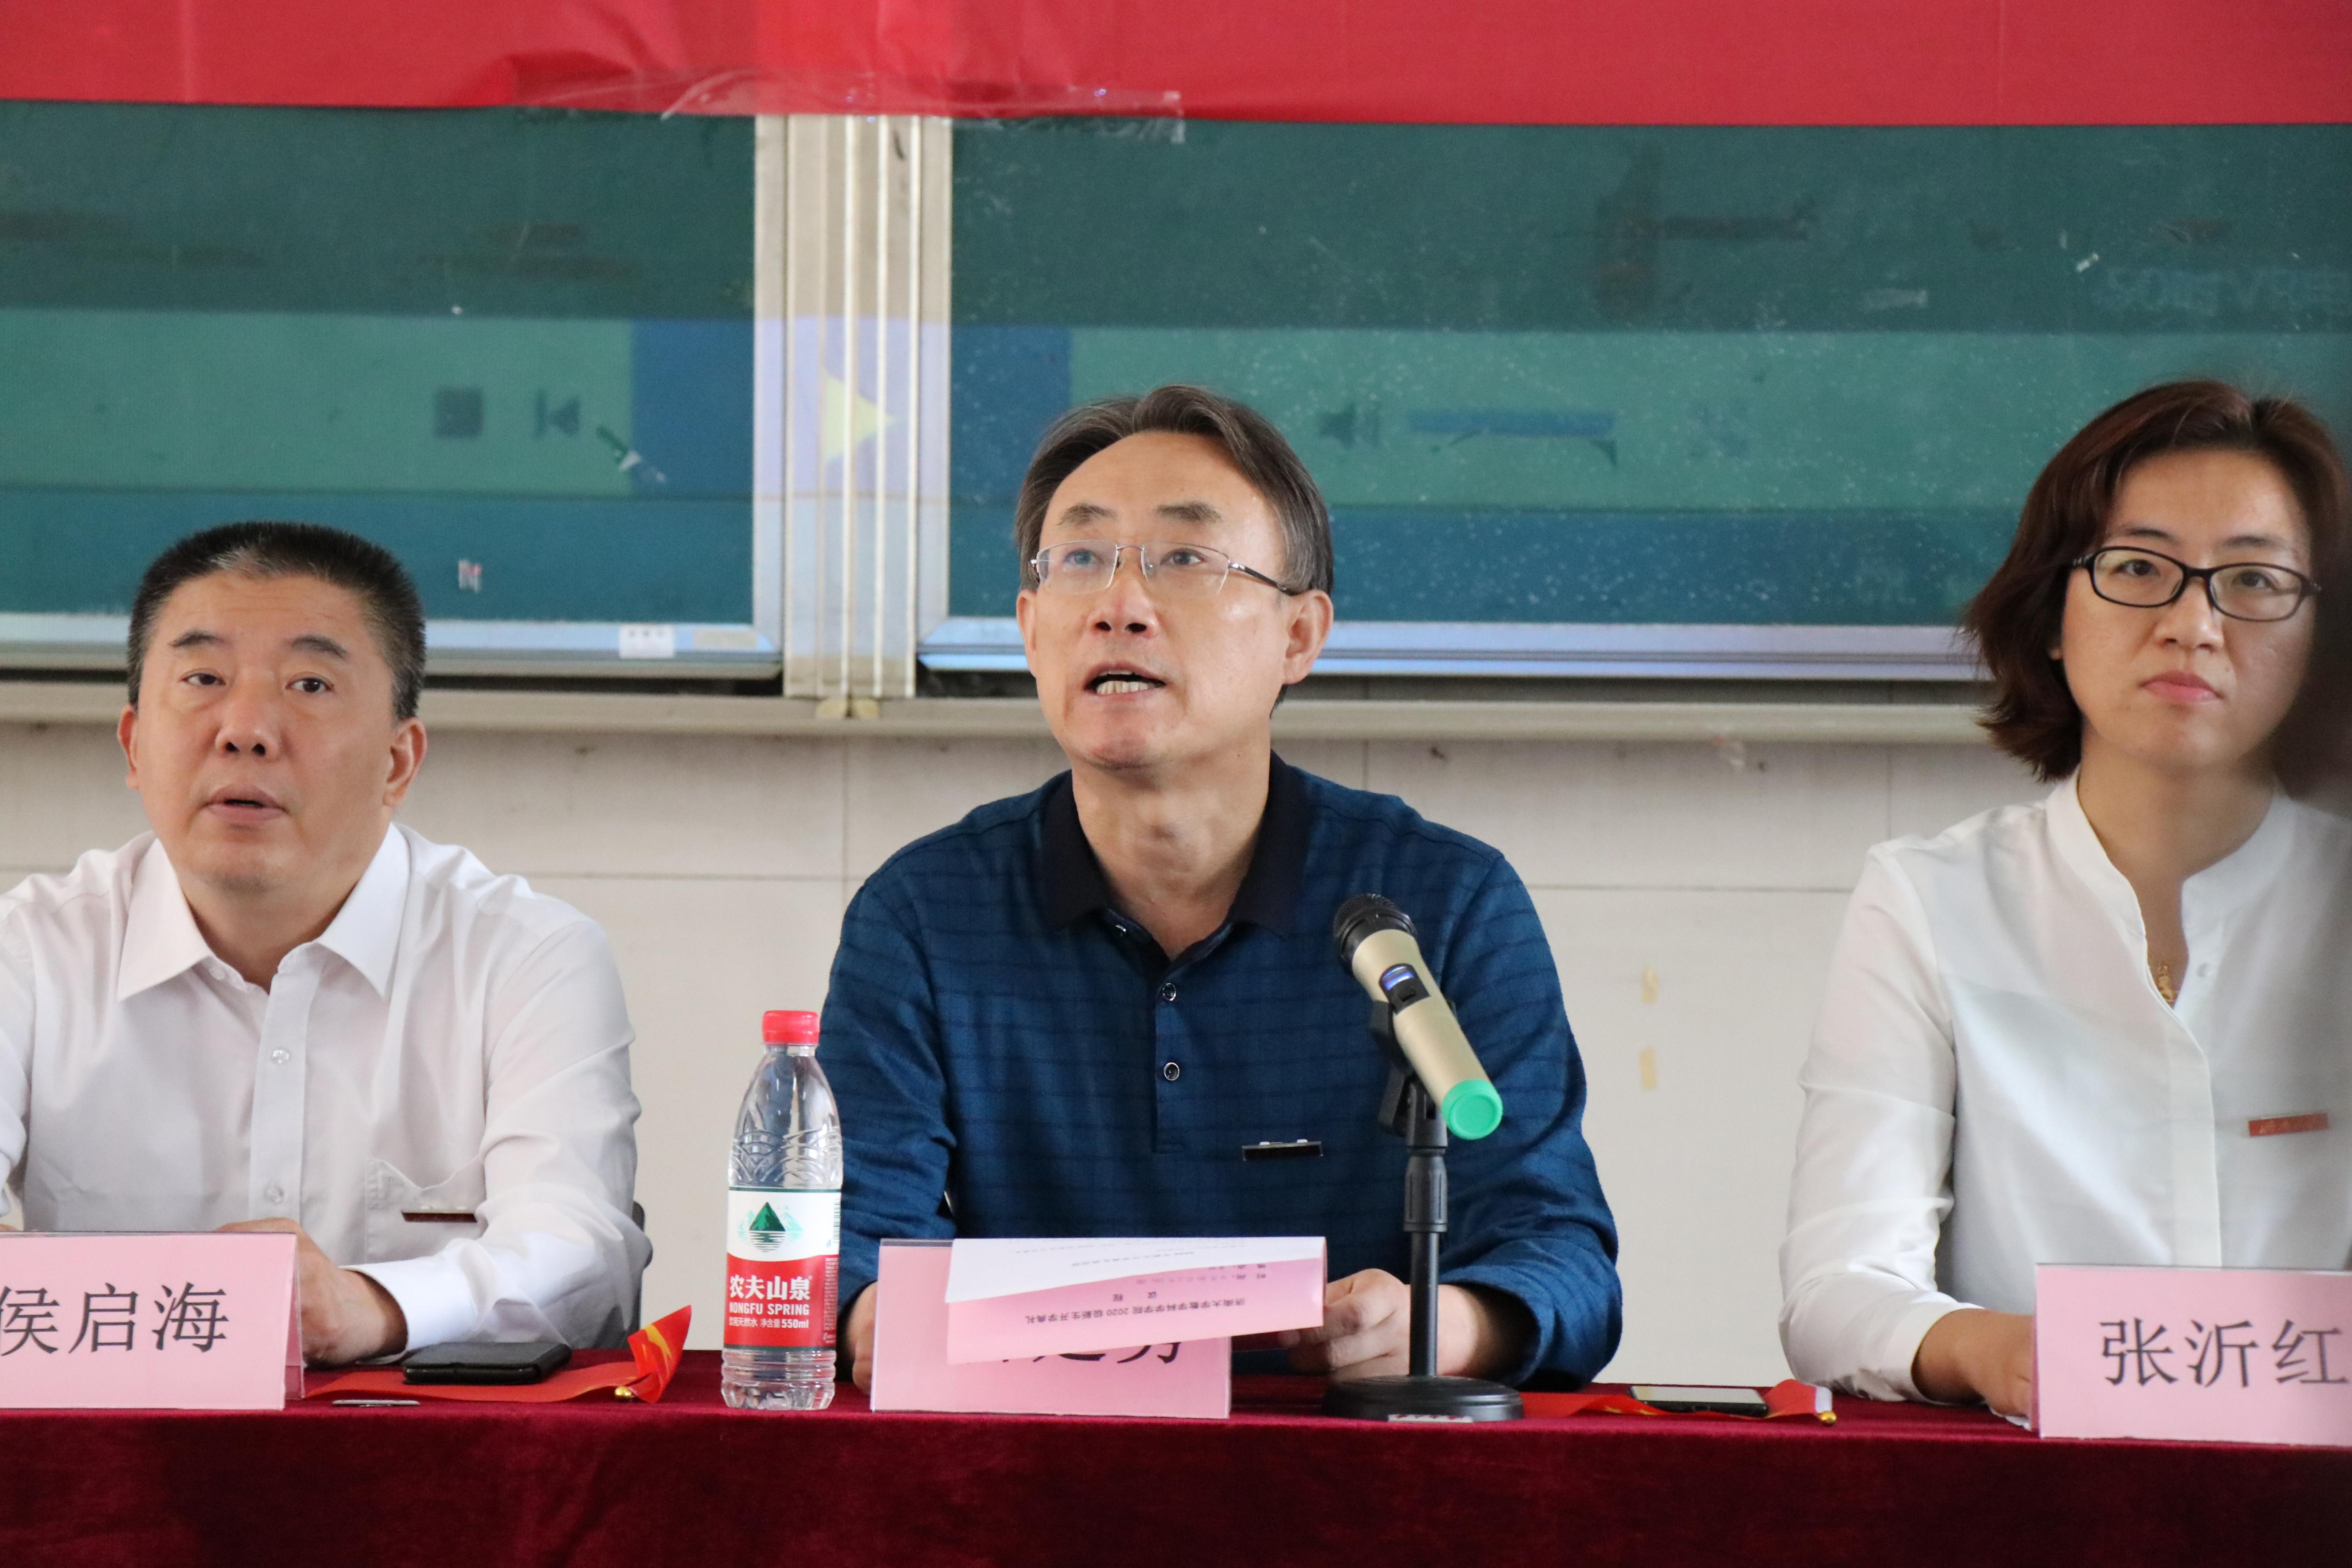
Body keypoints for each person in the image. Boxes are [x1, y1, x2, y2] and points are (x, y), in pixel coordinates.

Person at [824, 385, 1620, 1389]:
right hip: (1031, 1455)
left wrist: (1441, 1328)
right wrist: (867, 1311)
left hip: (1348, 1464)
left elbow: (1562, 1256)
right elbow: (842, 1246)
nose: (1119, 605)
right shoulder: (925, 915)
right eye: (1081, 559)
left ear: (1299, 636)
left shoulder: (1444, 905)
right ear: (1029, 627)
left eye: (1184, 559)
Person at [1780, 380, 2352, 1414]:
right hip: (2037, 1480)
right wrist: (1991, 1349)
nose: (2193, 624)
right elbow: (1836, 1290)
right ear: (2052, 613)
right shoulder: (1930, 898)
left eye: (2255, 581)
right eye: (2138, 568)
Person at [0, 523, 650, 1364]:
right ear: (132, 744)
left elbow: (583, 1259)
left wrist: (369, 1307)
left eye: (310, 684)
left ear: (397, 762)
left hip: (425, 1444)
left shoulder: (527, 958)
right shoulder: (30, 950)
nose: (245, 729)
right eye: (203, 679)